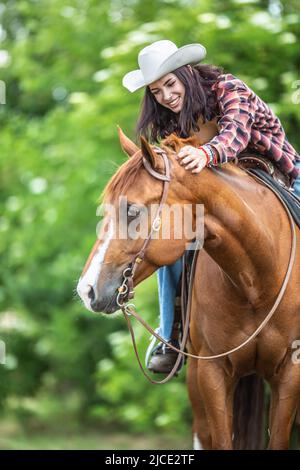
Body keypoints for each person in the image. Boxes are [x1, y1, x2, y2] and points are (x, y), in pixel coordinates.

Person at [122, 40, 300, 373]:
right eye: (156, 91)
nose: (165, 96)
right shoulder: (171, 120)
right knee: (172, 237)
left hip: (279, 175)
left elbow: (234, 133)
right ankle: (170, 334)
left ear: (187, 74)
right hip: (220, 198)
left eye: (170, 84)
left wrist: (205, 153)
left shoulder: (229, 89)